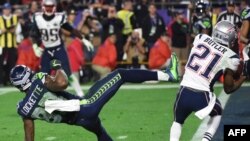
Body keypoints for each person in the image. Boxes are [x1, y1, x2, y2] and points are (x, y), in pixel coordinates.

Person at [9, 55, 179, 141]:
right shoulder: (39, 81)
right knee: (120, 74)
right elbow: (61, 83)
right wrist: (58, 66)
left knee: (101, 134)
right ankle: (168, 75)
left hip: (79, 120)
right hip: (86, 106)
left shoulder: (23, 109)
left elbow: (29, 138)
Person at [169, 21, 247, 141]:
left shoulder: (201, 37)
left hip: (183, 92)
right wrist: (244, 76)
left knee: (178, 121)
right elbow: (228, 88)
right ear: (229, 37)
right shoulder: (230, 56)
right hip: (202, 95)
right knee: (217, 111)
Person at [30, 0, 93, 97]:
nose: (49, 9)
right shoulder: (37, 18)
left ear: (54, 7)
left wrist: (83, 39)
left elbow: (71, 29)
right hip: (47, 50)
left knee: (68, 73)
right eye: (47, 7)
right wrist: (35, 46)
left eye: (51, 7)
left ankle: (80, 95)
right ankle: (39, 97)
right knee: (42, 75)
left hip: (58, 48)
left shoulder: (59, 17)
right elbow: (33, 33)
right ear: (43, 7)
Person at [0, 3, 18, 86]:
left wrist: (5, 29)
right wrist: (8, 29)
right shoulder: (0, 19)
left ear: (10, 9)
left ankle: (11, 81)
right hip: (2, 45)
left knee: (12, 64)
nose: (6, 10)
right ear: (3, 10)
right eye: (5, 9)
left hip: (12, 45)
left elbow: (16, 31)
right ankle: (1, 81)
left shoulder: (14, 18)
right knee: (1, 64)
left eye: (8, 9)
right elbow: (3, 31)